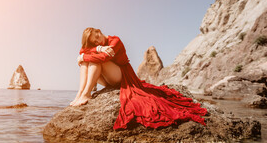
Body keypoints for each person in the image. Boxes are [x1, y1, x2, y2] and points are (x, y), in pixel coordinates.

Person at [70, 27, 207, 130]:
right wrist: (97, 49)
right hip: (108, 78)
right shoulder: (100, 46)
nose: (96, 41)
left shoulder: (115, 41)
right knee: (85, 61)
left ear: (98, 32)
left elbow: (103, 58)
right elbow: (83, 51)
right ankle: (80, 94)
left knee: (92, 61)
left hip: (122, 77)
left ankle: (87, 94)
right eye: (94, 42)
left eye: (96, 38)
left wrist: (84, 56)